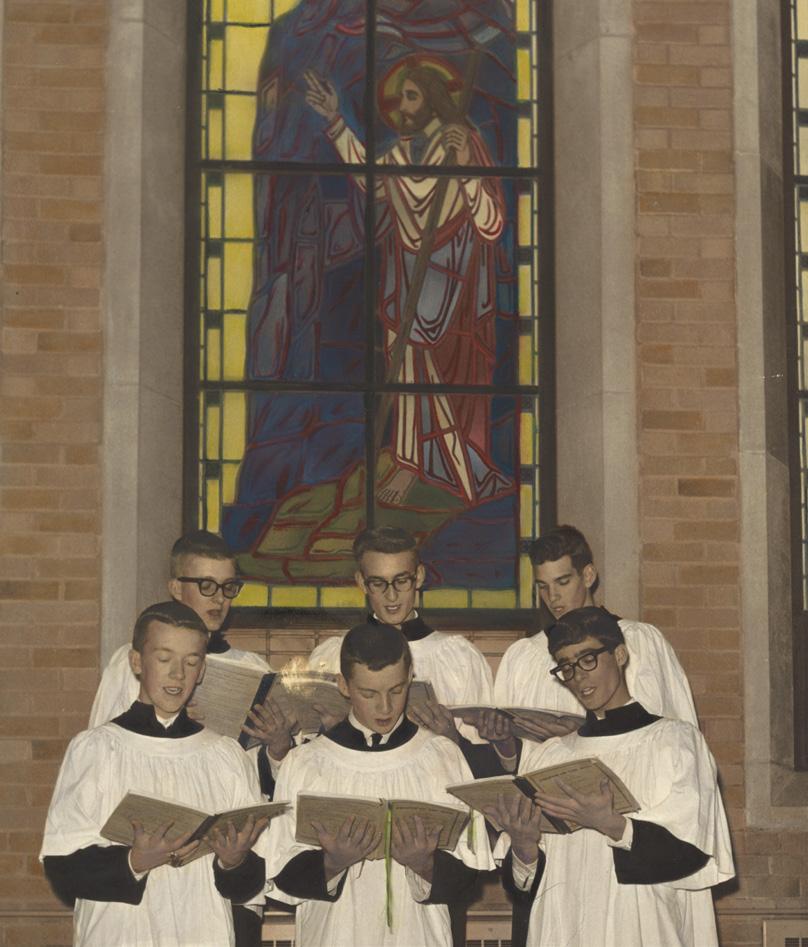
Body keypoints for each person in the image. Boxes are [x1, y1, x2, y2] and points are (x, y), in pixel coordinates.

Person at [305, 62, 510, 507]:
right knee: (407, 372)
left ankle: (456, 465)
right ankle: (409, 461)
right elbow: (369, 178)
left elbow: (491, 223)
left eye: (412, 96)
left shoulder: (461, 144)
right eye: (401, 97)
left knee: (445, 378)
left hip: (453, 289)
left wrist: (464, 168)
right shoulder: (401, 155)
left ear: (434, 99)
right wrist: (336, 120)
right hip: (407, 282)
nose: (402, 106)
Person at [88, 530, 292, 945]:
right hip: (158, 860)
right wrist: (170, 724)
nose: (219, 599)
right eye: (206, 586)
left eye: (229, 587)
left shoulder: (253, 667)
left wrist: (276, 748)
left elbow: (263, 786)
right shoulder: (130, 664)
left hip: (228, 861)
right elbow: (104, 760)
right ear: (175, 587)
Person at [486, 607, 734, 946]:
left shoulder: (675, 741)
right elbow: (524, 889)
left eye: (588, 660)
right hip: (563, 929)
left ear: (619, 655)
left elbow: (692, 852)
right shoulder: (548, 755)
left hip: (640, 929)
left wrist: (613, 824)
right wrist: (523, 845)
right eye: (567, 667)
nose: (578, 677)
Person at [40, 602, 270, 947]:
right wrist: (134, 861)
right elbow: (62, 869)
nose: (178, 674)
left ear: (202, 670)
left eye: (191, 662)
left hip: (201, 932)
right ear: (136, 662)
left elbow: (248, 887)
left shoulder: (226, 756)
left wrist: (233, 862)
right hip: (118, 934)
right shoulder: (96, 749)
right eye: (164, 659)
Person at [265, 622, 494, 946]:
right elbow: (281, 872)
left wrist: (424, 864)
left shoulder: (442, 756)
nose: (385, 707)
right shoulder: (305, 762)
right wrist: (332, 862)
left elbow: (470, 874)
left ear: (410, 676)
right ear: (344, 685)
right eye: (369, 693)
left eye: (396, 690)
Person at [307, 527, 515, 774]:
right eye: (378, 583)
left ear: (419, 576)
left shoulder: (459, 658)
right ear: (362, 582)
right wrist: (333, 731)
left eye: (401, 581)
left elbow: (485, 765)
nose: (391, 595)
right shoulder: (332, 655)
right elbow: (309, 758)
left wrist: (452, 738)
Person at [494, 525, 698, 735]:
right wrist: (502, 739)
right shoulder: (524, 656)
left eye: (562, 582)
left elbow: (674, 733)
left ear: (588, 576)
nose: (552, 597)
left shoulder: (639, 641)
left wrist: (582, 736)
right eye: (543, 587)